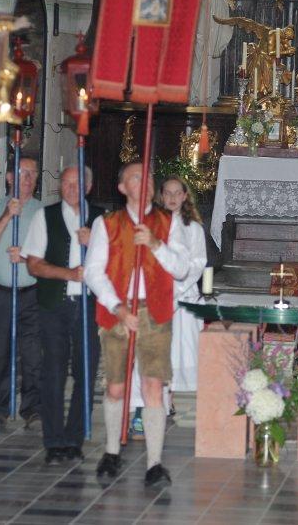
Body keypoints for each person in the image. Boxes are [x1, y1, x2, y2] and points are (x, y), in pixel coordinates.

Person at [84, 162, 191, 486]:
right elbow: (93, 271)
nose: (143, 182)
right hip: (118, 312)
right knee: (116, 386)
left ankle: (154, 463)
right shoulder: (107, 224)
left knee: (153, 385)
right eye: (135, 177)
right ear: (122, 187)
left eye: (148, 177)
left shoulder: (169, 222)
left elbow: (181, 268)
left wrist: (155, 244)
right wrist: (116, 307)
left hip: (154, 312)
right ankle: (111, 451)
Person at [21, 166, 104, 464]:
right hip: (54, 304)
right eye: (66, 182)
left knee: (86, 371)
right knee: (53, 371)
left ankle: (74, 439)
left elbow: (116, 262)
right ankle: (54, 441)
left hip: (89, 305)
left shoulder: (102, 220)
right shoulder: (45, 216)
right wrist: (68, 273)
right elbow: (33, 264)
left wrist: (93, 243)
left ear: (88, 187)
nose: (70, 188)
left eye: (76, 183)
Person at [0, 157, 44, 428]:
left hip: (31, 292)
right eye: (22, 172)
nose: (27, 178)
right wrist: (7, 216)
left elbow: (50, 255)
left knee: (33, 354)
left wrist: (26, 257)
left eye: (32, 174)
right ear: (9, 177)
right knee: (0, 353)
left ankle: (33, 408)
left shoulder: (42, 212)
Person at [159, 177, 207, 400]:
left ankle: (179, 386)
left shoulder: (193, 228)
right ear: (161, 196)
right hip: (158, 292)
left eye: (177, 193)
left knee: (182, 345)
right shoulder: (154, 224)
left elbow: (198, 263)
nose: (172, 198)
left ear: (185, 196)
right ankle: (163, 391)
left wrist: (176, 289)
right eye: (168, 193)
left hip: (184, 292)